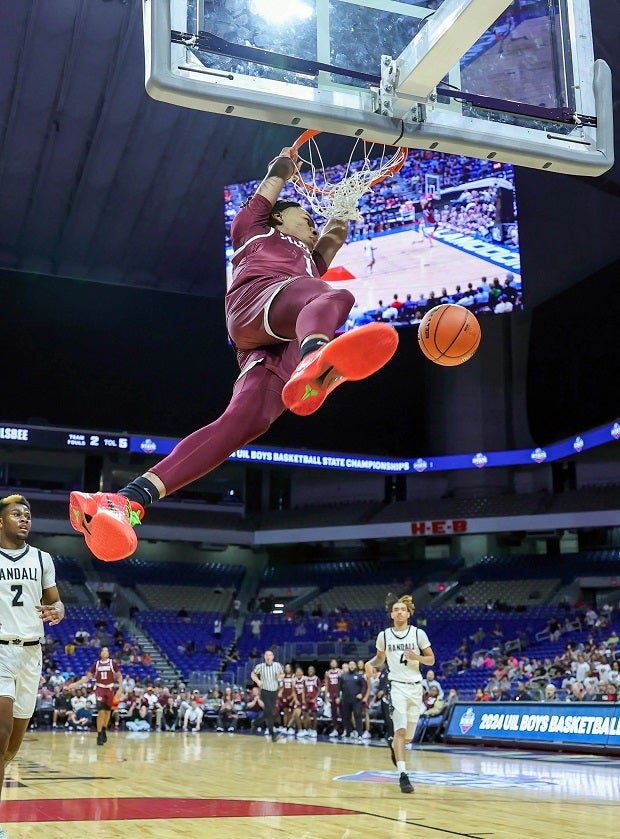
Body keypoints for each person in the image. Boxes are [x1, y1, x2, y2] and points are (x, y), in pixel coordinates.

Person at [68, 146, 398, 562]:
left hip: (274, 343)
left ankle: (126, 501)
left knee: (244, 423)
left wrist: (345, 206)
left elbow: (332, 237)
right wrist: (283, 165)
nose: (314, 228)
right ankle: (319, 356)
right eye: (307, 219)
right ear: (280, 216)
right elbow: (269, 190)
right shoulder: (256, 229)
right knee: (333, 295)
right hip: (255, 305)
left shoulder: (310, 263)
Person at [0, 494, 65, 839]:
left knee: (11, 748)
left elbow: (56, 602)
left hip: (31, 654)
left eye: (27, 515)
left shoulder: (42, 559)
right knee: (1, 732)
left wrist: (59, 611)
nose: (24, 519)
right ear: (0, 521)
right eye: (16, 514)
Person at [365, 594, 435, 795]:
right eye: (395, 609)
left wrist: (417, 657)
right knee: (400, 731)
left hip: (415, 687)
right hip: (396, 686)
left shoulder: (418, 634)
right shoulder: (384, 636)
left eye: (402, 609)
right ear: (391, 614)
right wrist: (370, 664)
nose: (399, 612)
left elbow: (431, 660)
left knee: (407, 738)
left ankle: (393, 744)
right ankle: (403, 776)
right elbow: (380, 660)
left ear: (408, 613)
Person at [70, 645, 122, 745]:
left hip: (110, 689)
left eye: (107, 651)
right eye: (104, 651)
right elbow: (86, 678)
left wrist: (120, 688)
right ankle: (99, 734)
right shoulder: (96, 664)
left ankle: (103, 730)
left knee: (107, 713)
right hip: (100, 688)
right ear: (100, 653)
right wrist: (75, 684)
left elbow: (119, 676)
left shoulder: (113, 663)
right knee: (101, 712)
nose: (106, 653)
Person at [251, 649, 284, 741]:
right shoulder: (260, 666)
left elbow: (283, 675)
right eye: (266, 655)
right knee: (269, 712)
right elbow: (253, 674)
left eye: (270, 655)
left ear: (273, 657)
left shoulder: (277, 665)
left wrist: (279, 677)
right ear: (264, 657)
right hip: (265, 691)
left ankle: (256, 723)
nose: (268, 657)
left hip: (274, 692)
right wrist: (257, 681)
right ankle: (272, 734)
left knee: (267, 713)